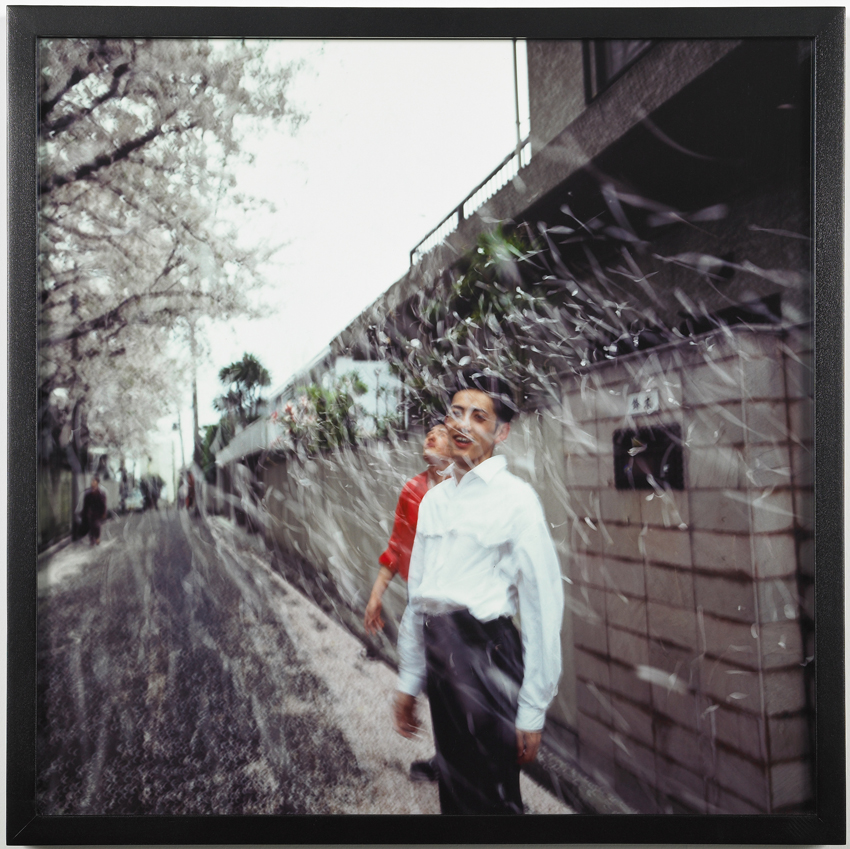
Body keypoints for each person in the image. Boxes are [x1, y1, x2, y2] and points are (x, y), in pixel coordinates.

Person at [393, 370, 564, 814]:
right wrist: (411, 679)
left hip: (489, 654)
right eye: (456, 412)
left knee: (493, 795)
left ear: (501, 431)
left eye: (479, 416)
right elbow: (419, 597)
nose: (463, 424)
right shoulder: (434, 500)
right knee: (454, 790)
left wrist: (532, 708)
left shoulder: (516, 500)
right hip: (442, 655)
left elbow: (542, 604)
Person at [364, 422, 451, 782]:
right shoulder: (413, 490)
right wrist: (376, 594)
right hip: (425, 605)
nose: (430, 437)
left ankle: (494, 784)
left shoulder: (467, 488)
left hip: (464, 610)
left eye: (440, 432)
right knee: (442, 690)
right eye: (427, 432)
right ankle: (448, 762)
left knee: (470, 692)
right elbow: (397, 546)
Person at [81, 475, 108, 547]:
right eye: (92, 481)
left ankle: (97, 537)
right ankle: (92, 539)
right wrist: (84, 512)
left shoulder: (101, 492)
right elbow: (85, 504)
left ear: (97, 483)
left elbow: (103, 503)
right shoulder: (88, 492)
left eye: (94, 481)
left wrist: (104, 512)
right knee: (90, 526)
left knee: (97, 525)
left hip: (98, 512)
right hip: (90, 512)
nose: (92, 483)